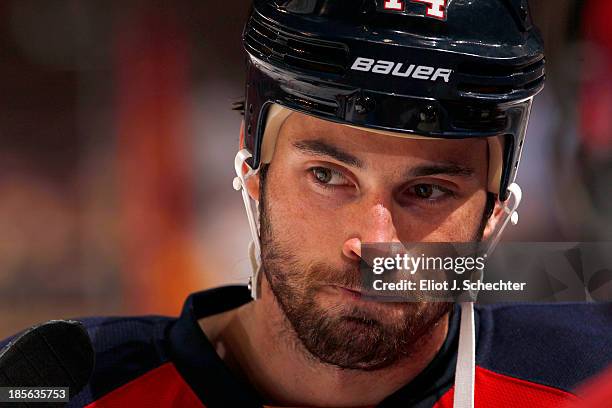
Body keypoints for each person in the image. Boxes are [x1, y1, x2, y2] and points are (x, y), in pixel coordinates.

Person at [2, 1, 612, 407]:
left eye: (427, 191)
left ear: (494, 213)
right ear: (254, 173)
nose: (373, 242)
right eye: (328, 175)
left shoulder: (589, 373)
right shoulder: (65, 381)